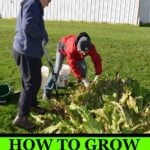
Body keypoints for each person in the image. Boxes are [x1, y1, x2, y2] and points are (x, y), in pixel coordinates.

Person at [12, 0, 51, 130]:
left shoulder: (34, 4)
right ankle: (21, 117)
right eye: (49, 0)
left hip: (30, 51)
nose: (49, 3)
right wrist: (43, 35)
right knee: (30, 83)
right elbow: (28, 24)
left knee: (35, 81)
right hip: (26, 51)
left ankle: (32, 104)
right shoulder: (32, 4)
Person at [43, 32, 102, 100]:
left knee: (83, 67)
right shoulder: (71, 48)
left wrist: (98, 73)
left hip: (76, 53)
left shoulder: (90, 47)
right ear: (78, 48)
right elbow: (73, 66)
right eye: (82, 52)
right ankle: (47, 91)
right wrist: (83, 79)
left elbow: (96, 59)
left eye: (85, 53)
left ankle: (81, 85)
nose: (83, 54)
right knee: (56, 69)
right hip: (62, 48)